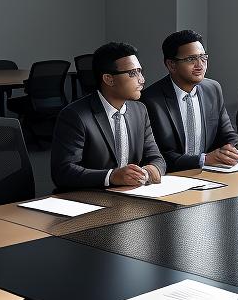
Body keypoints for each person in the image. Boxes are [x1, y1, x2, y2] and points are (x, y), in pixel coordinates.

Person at [51, 41, 166, 190]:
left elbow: (156, 157)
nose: (141, 79)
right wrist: (112, 176)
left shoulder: (140, 110)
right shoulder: (75, 115)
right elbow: (63, 172)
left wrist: (150, 171)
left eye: (140, 71)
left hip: (131, 196)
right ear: (108, 79)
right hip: (89, 199)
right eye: (133, 73)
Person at [140, 29, 238, 172]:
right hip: (172, 178)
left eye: (203, 58)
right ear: (171, 65)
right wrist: (203, 160)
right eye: (191, 59)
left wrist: (232, 149)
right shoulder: (150, 100)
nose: (200, 65)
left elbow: (228, 134)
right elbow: (159, 155)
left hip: (209, 174)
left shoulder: (212, 89)